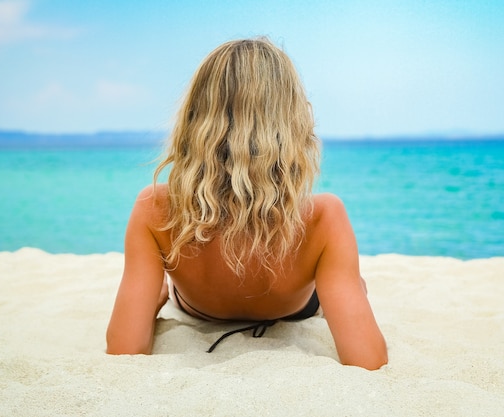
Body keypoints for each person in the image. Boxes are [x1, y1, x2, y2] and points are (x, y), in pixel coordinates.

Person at [106, 38, 388, 370]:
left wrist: (151, 305)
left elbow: (124, 353)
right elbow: (369, 361)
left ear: (194, 119)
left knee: (150, 292)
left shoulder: (154, 208)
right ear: (292, 122)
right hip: (293, 307)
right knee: (352, 284)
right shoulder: (323, 216)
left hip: (196, 308)